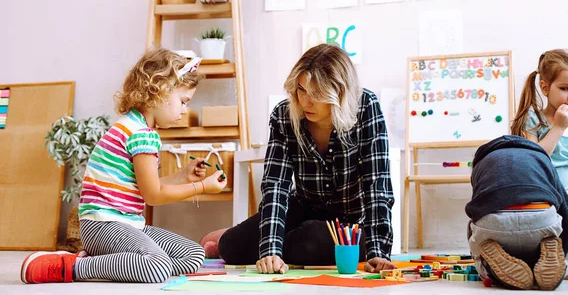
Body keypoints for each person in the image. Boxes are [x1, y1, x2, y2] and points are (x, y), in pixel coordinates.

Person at [21, 48, 228, 284]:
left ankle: (119, 263)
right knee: (158, 266)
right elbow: (153, 195)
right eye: (182, 102)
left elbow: (142, 186)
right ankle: (75, 265)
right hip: (105, 226)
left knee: (193, 254)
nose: (184, 110)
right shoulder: (142, 134)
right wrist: (201, 187)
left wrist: (183, 176)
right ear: (159, 91)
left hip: (126, 225)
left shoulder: (132, 125)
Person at [218, 44, 395, 274]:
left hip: (350, 224)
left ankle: (297, 238)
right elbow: (276, 185)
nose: (305, 102)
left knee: (309, 242)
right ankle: (268, 239)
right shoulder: (284, 115)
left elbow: (377, 185)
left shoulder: (366, 107)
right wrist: (270, 249)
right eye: (301, 90)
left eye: (317, 94)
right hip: (303, 207)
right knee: (230, 247)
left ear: (339, 92)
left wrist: (377, 253)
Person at [511, 49, 568, 267]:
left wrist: (565, 198)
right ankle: (538, 250)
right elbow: (532, 162)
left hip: (567, 201)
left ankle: (559, 248)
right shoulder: (532, 120)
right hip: (536, 202)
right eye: (564, 88)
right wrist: (558, 128)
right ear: (544, 87)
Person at [466, 135, 568, 290]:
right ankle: (549, 257)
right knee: (546, 238)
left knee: (474, 229)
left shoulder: (482, 164)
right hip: (541, 219)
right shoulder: (541, 158)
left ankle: (489, 269)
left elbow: (475, 210)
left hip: (494, 225)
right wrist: (564, 250)